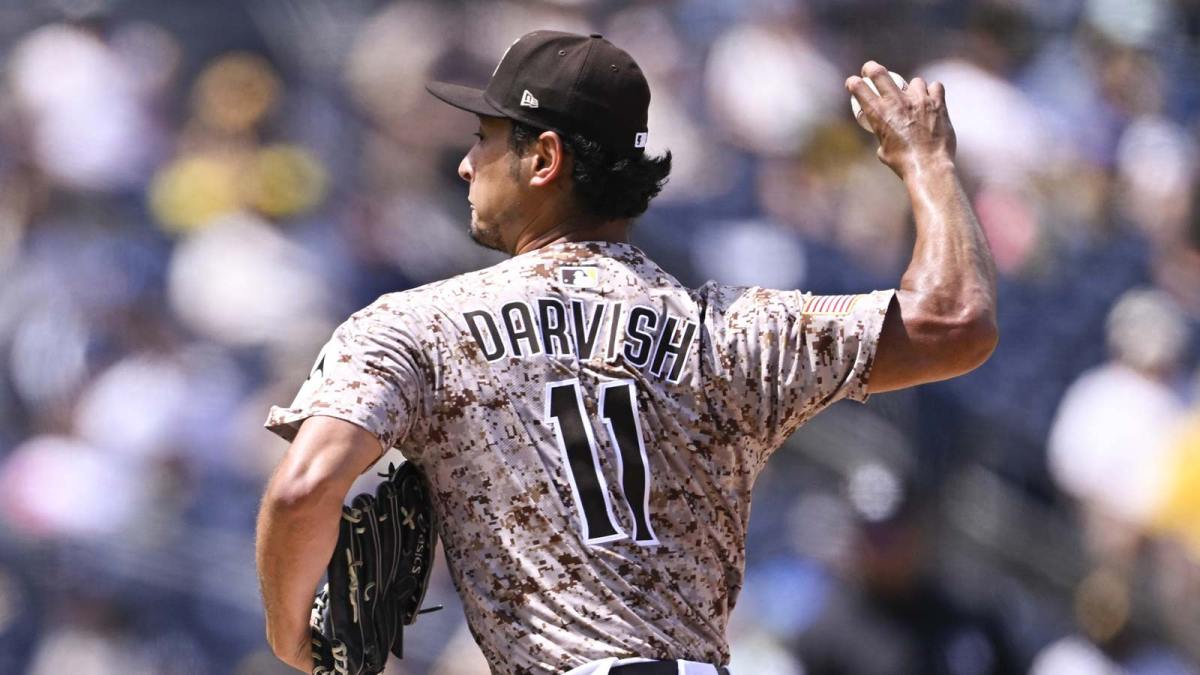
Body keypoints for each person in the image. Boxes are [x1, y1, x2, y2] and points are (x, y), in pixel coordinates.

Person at [255, 30, 998, 675]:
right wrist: (925, 163)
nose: (465, 162)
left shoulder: (421, 326)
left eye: (484, 136)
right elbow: (955, 321)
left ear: (543, 157)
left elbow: (303, 487)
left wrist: (294, 638)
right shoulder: (730, 329)